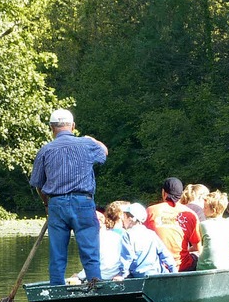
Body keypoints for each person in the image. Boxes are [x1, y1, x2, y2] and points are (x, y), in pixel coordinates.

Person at [29, 108, 108, 286]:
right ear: (73, 126)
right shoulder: (87, 144)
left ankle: (57, 291)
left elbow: (39, 185)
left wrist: (47, 205)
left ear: (51, 128)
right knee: (90, 252)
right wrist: (92, 139)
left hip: (56, 203)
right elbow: (104, 152)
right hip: (83, 203)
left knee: (57, 255)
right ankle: (95, 288)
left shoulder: (45, 150)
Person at [146, 177, 202, 272]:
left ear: (164, 193)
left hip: (158, 267)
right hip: (183, 266)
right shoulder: (191, 214)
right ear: (181, 195)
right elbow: (198, 247)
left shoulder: (150, 211)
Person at [71, 203, 128, 283]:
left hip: (103, 276)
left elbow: (92, 261)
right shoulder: (122, 235)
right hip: (117, 275)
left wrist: (79, 276)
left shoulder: (98, 237)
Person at [120, 203, 177, 278]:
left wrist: (121, 275)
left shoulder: (127, 235)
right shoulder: (151, 233)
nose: (123, 220)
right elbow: (164, 253)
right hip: (156, 274)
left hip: (139, 277)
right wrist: (174, 271)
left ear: (131, 219)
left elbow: (127, 258)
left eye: (124, 217)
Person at [197, 191, 229, 271]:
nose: (203, 209)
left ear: (213, 211)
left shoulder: (203, 225)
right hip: (227, 265)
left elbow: (197, 244)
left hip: (205, 266)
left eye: (205, 207)